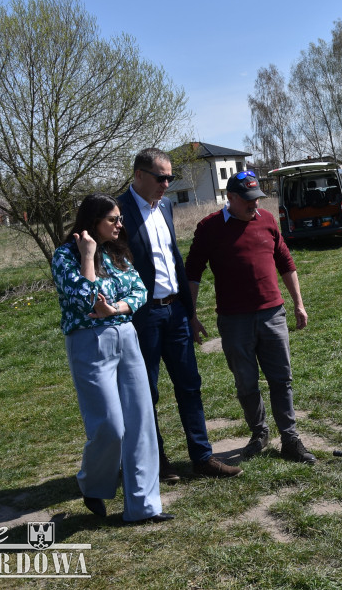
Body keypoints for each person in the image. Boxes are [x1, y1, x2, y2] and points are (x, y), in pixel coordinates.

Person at [118, 148, 241, 481]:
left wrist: (189, 311)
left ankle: (202, 458)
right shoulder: (118, 212)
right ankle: (156, 462)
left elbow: (173, 262)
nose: (167, 184)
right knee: (146, 392)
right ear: (139, 175)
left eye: (170, 178)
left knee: (190, 385)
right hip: (142, 317)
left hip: (175, 313)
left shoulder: (167, 207)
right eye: (161, 178)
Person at [51, 193, 172, 523]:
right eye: (112, 220)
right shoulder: (65, 256)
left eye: (120, 218)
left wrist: (115, 308)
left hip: (126, 337)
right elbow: (84, 300)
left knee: (140, 423)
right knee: (109, 426)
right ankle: (92, 485)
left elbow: (140, 291)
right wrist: (87, 257)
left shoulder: (117, 254)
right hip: (90, 344)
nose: (120, 224)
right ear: (93, 223)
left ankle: (144, 507)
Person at [185, 171, 317, 464]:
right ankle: (259, 433)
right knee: (246, 383)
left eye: (256, 199)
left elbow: (285, 261)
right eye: (247, 201)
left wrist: (299, 303)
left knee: (281, 379)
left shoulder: (268, 221)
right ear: (229, 198)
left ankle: (290, 439)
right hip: (234, 322)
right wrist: (191, 315)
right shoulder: (210, 227)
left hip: (273, 314)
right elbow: (192, 271)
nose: (253, 206)